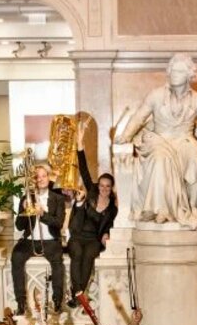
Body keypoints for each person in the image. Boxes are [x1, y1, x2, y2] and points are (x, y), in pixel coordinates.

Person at [116, 53, 197, 230]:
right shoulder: (156, 95)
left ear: (189, 75)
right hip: (159, 139)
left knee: (195, 159)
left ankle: (192, 206)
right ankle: (161, 209)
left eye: (179, 71)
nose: (174, 74)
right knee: (160, 159)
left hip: (184, 139)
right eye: (172, 70)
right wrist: (126, 136)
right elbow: (139, 116)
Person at [67, 120, 118, 305]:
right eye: (102, 185)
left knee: (88, 255)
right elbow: (83, 169)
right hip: (78, 235)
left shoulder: (112, 209)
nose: (104, 188)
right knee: (77, 254)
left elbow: (110, 226)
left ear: (111, 188)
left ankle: (77, 293)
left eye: (107, 186)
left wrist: (106, 235)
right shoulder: (92, 191)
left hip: (93, 240)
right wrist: (80, 144)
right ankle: (78, 293)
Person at [11, 164, 66, 314]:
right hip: (29, 241)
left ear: (49, 178)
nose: (40, 179)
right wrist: (24, 210)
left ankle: (57, 300)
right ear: (33, 180)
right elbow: (19, 226)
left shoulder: (58, 199)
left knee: (57, 263)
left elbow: (59, 223)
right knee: (16, 256)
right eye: (37, 177)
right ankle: (21, 302)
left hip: (50, 241)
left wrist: (42, 214)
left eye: (43, 176)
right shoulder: (27, 198)